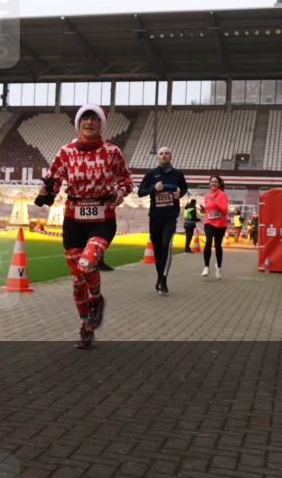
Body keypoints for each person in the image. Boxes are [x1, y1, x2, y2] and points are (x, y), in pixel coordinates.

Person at [35, 104, 133, 349]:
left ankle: (97, 299)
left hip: (102, 218)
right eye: (84, 119)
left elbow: (126, 179)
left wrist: (121, 191)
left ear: (101, 124)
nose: (89, 122)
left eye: (94, 118)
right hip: (74, 219)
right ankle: (85, 327)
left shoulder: (112, 152)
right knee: (77, 280)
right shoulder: (66, 152)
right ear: (78, 124)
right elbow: (54, 180)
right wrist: (46, 191)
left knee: (87, 263)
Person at [137, 147, 187, 295]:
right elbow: (140, 192)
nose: (164, 155)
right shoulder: (151, 174)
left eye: (167, 153)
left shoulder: (177, 174)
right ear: (157, 157)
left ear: (171, 156)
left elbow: (184, 188)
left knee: (166, 245)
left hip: (170, 216)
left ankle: (164, 279)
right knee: (158, 249)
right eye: (161, 153)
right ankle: (159, 278)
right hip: (155, 216)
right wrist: (154, 188)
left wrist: (180, 194)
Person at [201, 175, 229, 279]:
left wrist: (215, 202)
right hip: (208, 222)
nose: (213, 183)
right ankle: (206, 267)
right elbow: (208, 209)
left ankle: (219, 267)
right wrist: (203, 210)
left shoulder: (222, 195)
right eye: (212, 181)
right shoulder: (207, 195)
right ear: (209, 183)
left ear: (219, 184)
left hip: (220, 224)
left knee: (218, 245)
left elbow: (225, 210)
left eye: (216, 182)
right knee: (208, 241)